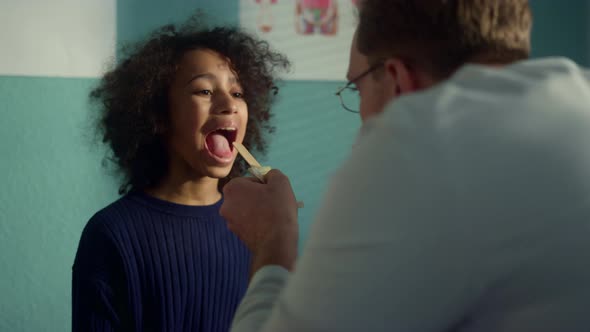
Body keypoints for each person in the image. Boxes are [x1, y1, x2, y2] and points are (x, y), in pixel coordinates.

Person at [220, 0, 590, 331]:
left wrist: (274, 240)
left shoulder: (422, 142)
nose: (361, 113)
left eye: (357, 88)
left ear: (399, 80)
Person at [72, 14, 289, 332]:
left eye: (238, 93)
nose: (228, 104)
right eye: (204, 91)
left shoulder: (256, 228)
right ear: (159, 114)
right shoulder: (110, 234)